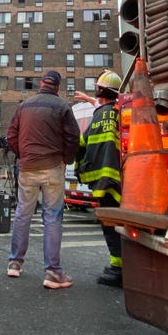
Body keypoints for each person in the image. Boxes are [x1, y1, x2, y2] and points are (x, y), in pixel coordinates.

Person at [5, 70, 79, 289]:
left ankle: (15, 264)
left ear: (41, 84)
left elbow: (11, 135)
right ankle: (53, 273)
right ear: (57, 87)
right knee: (52, 217)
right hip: (53, 168)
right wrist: (66, 159)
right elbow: (74, 136)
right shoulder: (63, 106)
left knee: (22, 214)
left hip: (28, 167)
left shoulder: (23, 106)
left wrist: (23, 155)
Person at [75, 69, 124, 288]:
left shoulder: (98, 116)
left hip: (104, 181)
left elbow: (84, 143)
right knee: (121, 224)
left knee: (110, 224)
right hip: (124, 179)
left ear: (100, 91)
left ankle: (118, 268)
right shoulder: (118, 111)